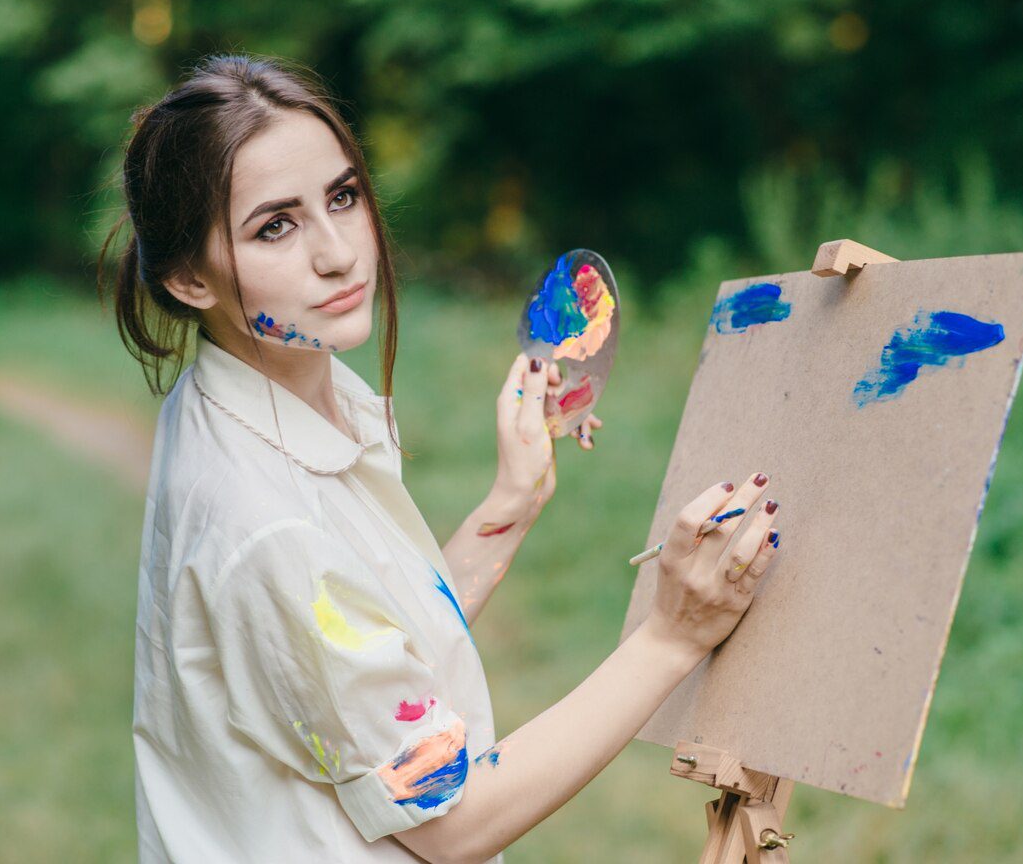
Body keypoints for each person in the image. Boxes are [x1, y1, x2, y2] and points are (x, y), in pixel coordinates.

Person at [99, 53, 785, 864]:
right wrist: (670, 637)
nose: (338, 252)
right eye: (274, 226)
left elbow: (370, 651)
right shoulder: (266, 520)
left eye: (343, 197)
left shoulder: (259, 397)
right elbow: (448, 823)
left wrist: (511, 504)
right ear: (188, 278)